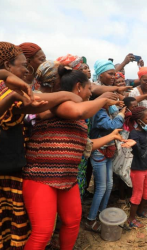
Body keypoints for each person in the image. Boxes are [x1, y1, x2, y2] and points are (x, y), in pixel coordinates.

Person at [22, 66, 123, 248]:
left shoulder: (79, 115)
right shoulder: (62, 104)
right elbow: (78, 111)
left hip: (67, 178)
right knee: (43, 233)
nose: (90, 93)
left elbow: (85, 146)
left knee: (72, 222)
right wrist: (103, 99)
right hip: (41, 177)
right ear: (78, 87)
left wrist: (112, 136)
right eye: (89, 89)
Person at [0, 42, 83, 250]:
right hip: (15, 170)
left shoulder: (12, 85)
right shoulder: (8, 88)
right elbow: (29, 106)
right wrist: (67, 96)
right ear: (8, 65)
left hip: (16, 165)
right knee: (37, 230)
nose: (27, 70)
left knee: (17, 227)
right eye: (23, 65)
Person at [86, 92, 128, 232]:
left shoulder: (108, 109)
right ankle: (91, 219)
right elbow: (111, 125)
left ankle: (102, 213)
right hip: (99, 151)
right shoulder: (98, 112)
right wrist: (121, 114)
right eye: (112, 100)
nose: (115, 102)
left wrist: (118, 106)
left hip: (108, 149)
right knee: (101, 187)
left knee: (109, 185)